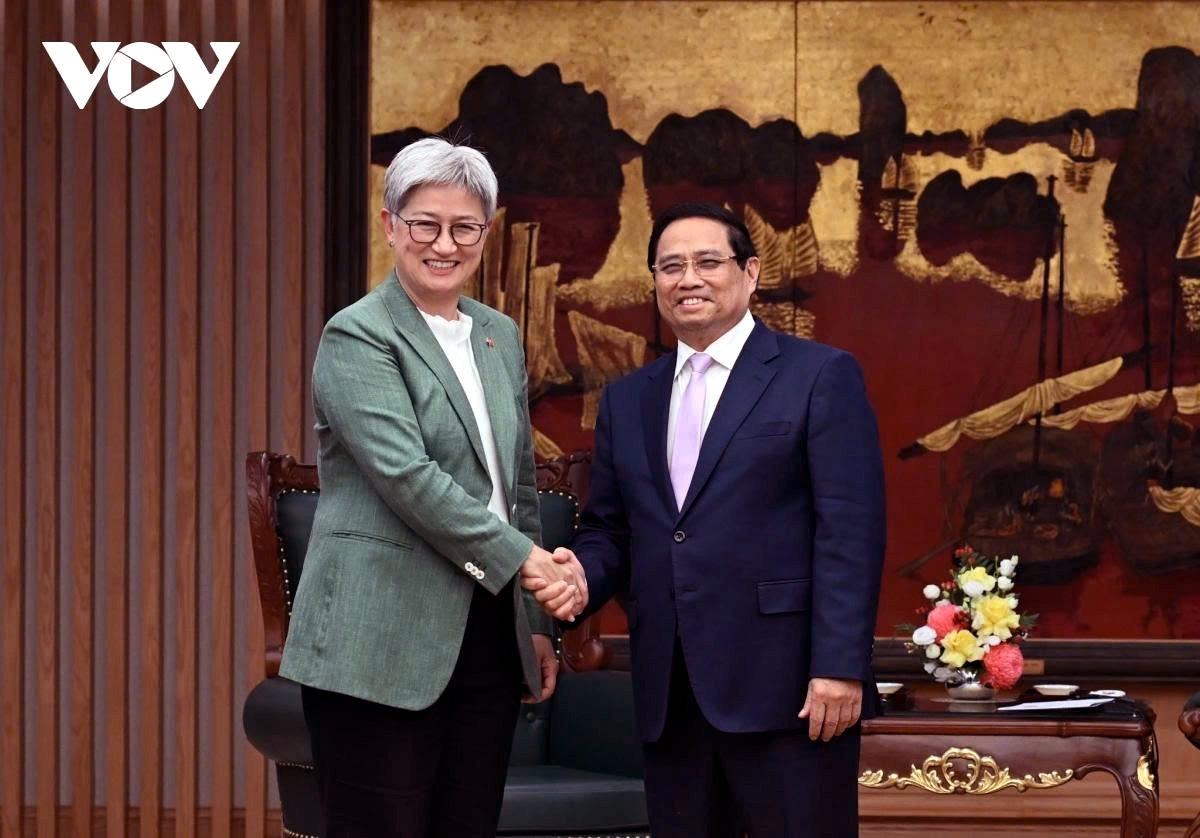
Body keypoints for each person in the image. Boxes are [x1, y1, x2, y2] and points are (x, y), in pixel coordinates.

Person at [530, 202, 886, 836]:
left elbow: (850, 534)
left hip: (790, 690)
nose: (687, 279)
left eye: (706, 262)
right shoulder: (629, 399)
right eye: (670, 266)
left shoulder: (818, 376)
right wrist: (580, 577)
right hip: (671, 693)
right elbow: (612, 529)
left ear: (749, 274)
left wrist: (839, 665)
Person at [280, 137, 586, 837]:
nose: (444, 244)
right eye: (425, 223)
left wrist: (533, 621)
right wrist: (530, 564)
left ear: (486, 230)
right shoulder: (358, 335)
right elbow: (409, 479)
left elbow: (515, 486)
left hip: (483, 634)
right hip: (376, 642)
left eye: (465, 227)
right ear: (391, 226)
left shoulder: (497, 336)